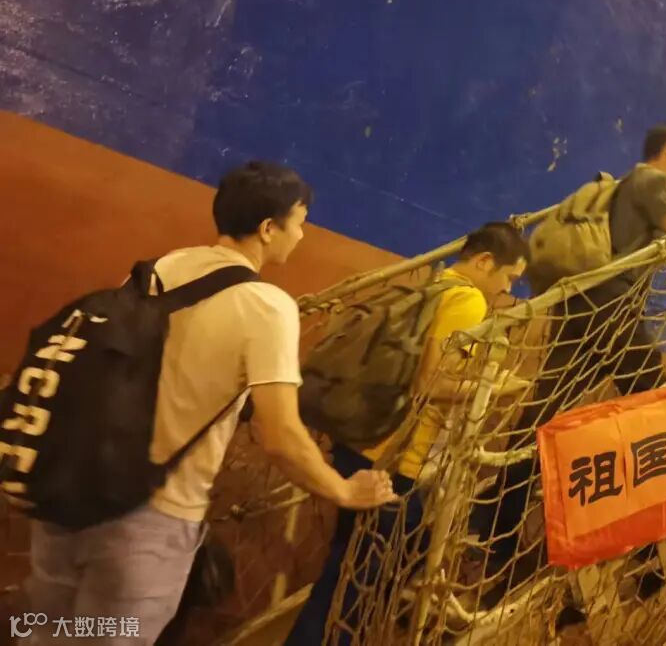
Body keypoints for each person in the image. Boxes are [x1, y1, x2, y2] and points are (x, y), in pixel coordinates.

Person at [23, 161, 396, 646]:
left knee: (47, 635)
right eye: (300, 222)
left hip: (70, 494)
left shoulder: (161, 268)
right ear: (269, 228)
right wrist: (344, 491)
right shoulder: (268, 307)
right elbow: (279, 435)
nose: (302, 236)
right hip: (149, 520)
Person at [474, 123, 666, 609]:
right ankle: (644, 552)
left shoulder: (625, 185)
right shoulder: (651, 180)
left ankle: (495, 522)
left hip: (583, 306)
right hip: (613, 310)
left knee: (542, 414)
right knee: (661, 414)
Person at [286, 222, 529, 646]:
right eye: (509, 277)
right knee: (361, 580)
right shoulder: (468, 300)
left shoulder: (435, 285)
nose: (507, 290)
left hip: (363, 441)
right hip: (398, 458)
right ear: (485, 261)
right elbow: (431, 382)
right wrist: (494, 387)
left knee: (346, 567)